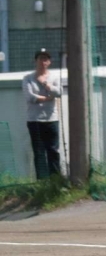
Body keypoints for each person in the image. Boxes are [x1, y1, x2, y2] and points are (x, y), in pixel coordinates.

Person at [21, 48, 62, 179]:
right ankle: (42, 181)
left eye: (45, 59)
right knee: (39, 152)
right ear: (35, 61)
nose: (43, 62)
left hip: (51, 119)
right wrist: (47, 98)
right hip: (35, 120)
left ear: (49, 62)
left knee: (53, 150)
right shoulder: (27, 78)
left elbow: (59, 92)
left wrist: (46, 84)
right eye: (40, 59)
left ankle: (55, 179)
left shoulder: (54, 77)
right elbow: (30, 97)